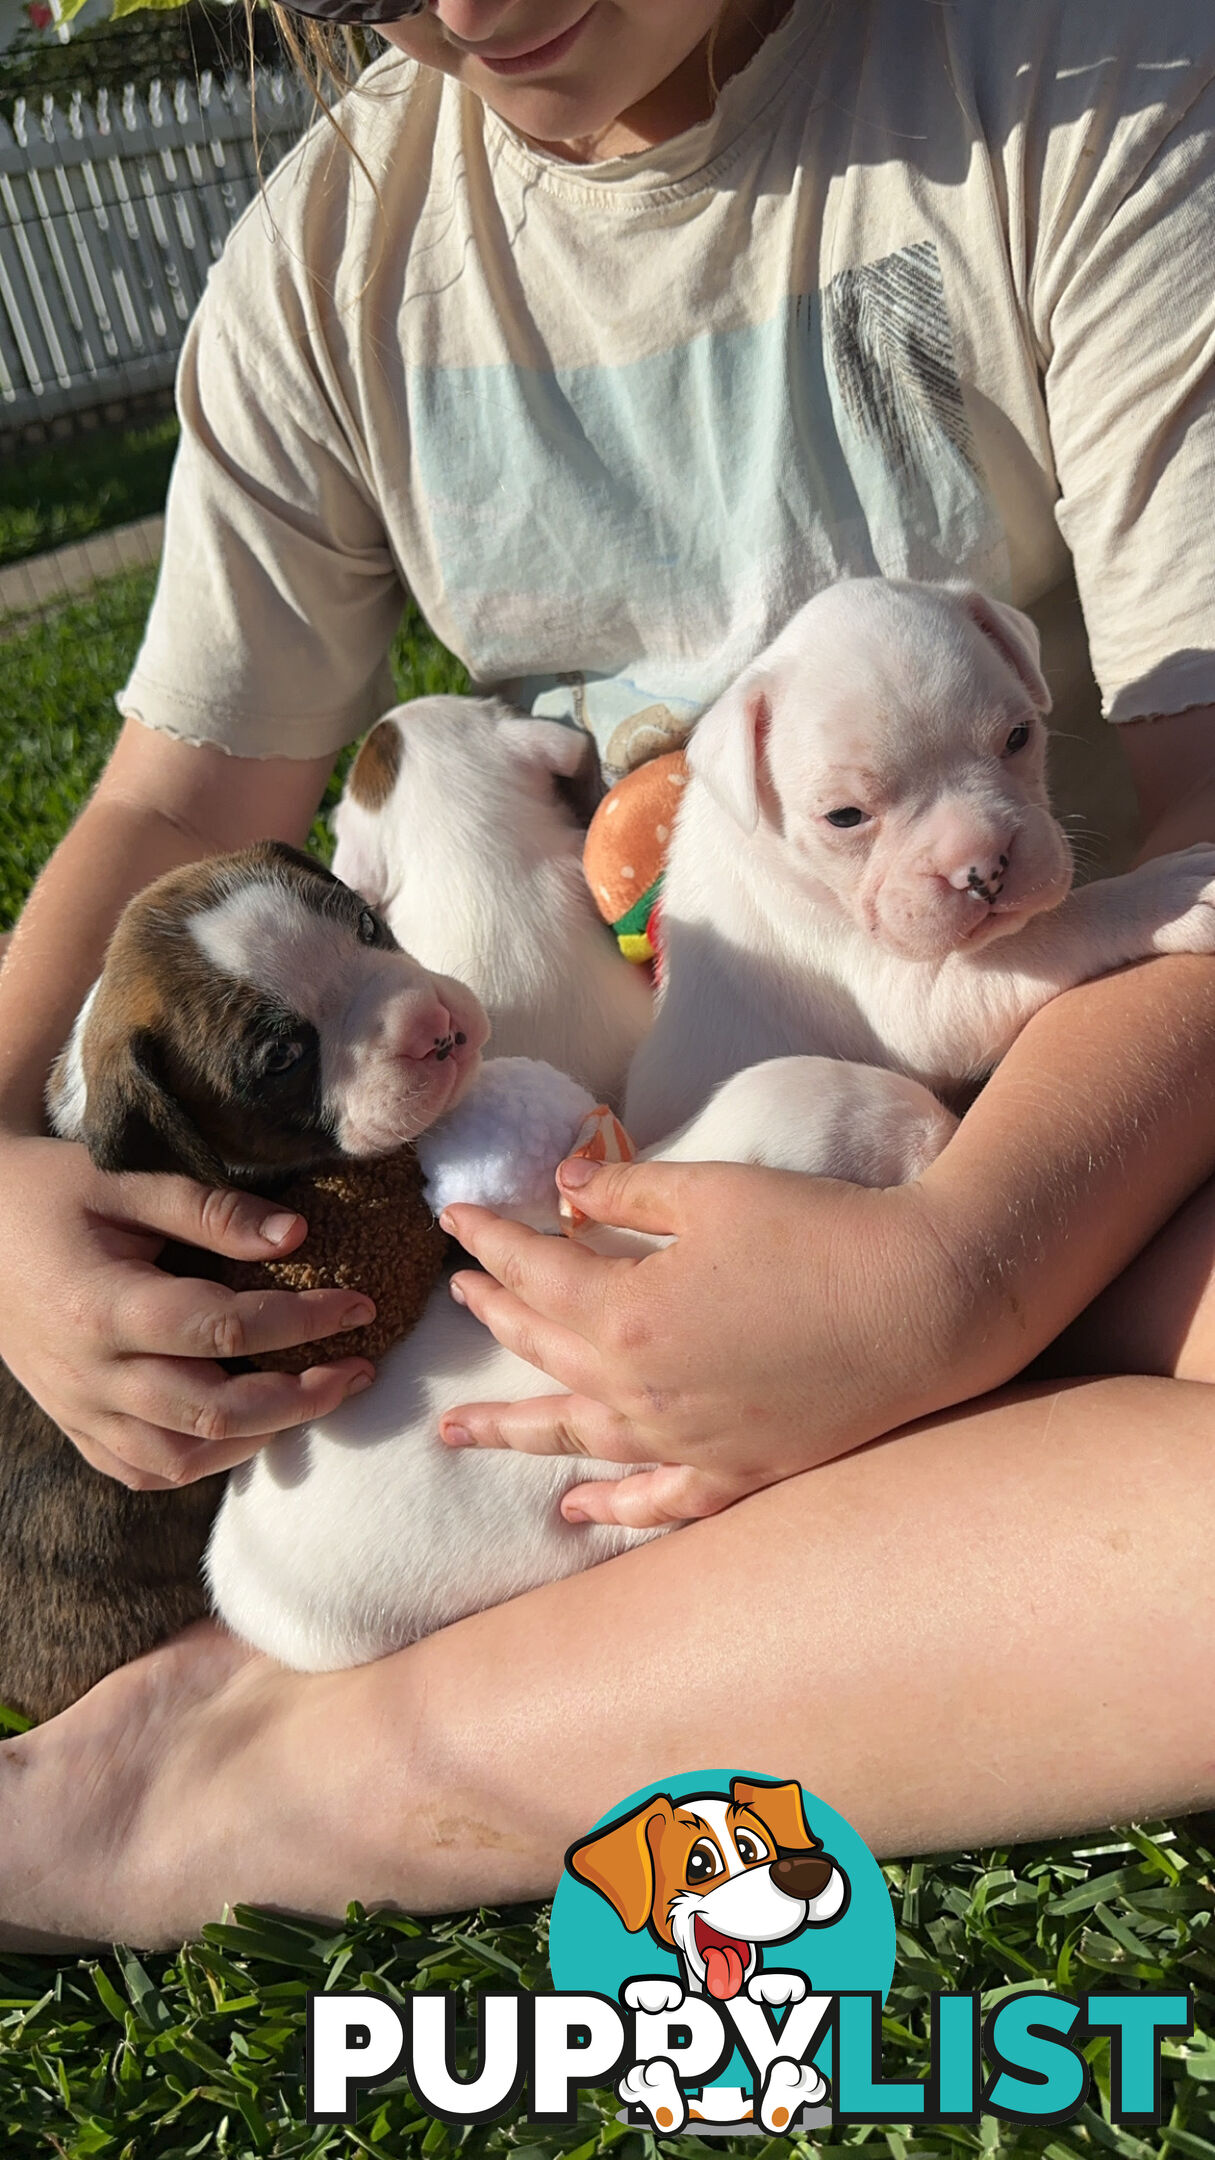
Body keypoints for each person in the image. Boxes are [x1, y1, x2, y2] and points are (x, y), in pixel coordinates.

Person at [1, 0, 1214, 1954]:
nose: (458, 7)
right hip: (570, 1184)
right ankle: (237, 1779)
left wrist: (968, 1270)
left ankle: (287, 1769)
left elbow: (1204, 808)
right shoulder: (333, 260)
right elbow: (171, 801)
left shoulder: (1075, 79)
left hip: (1079, 1082)